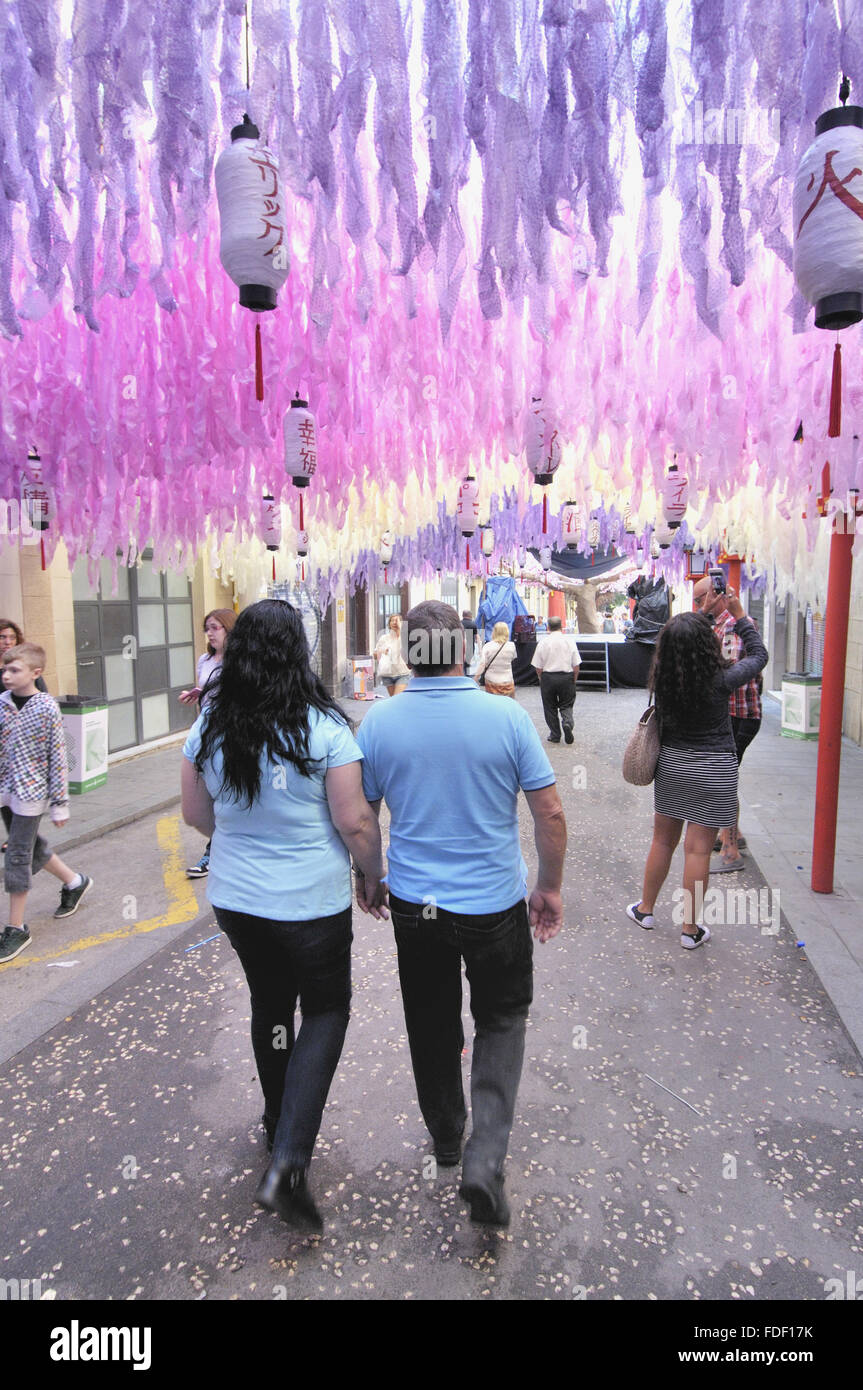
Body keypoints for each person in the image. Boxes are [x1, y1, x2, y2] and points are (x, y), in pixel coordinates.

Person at [356, 601, 566, 1227]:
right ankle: (484, 1160)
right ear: (462, 646)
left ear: (410, 652)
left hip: (416, 906)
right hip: (495, 904)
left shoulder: (379, 722)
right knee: (502, 1019)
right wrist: (548, 888)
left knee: (430, 1017)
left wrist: (370, 877)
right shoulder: (506, 717)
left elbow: (361, 818)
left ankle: (447, 1136)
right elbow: (550, 814)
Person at [181, 600, 386, 1231]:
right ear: (298, 651)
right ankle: (289, 1163)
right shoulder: (325, 728)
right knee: (325, 1010)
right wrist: (372, 877)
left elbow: (196, 815)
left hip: (240, 901)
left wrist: (244, 838)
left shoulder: (211, 725)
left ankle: (278, 1125)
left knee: (270, 1007)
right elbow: (355, 821)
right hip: (311, 905)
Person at [626, 588, 768, 949]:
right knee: (698, 850)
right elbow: (760, 655)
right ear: (709, 645)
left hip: (672, 765)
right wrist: (738, 615)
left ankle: (645, 910)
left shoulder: (664, 681)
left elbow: (681, 639)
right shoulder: (723, 680)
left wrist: (702, 614)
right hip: (714, 768)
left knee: (662, 840)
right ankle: (690, 930)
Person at [0, 644, 93, 964]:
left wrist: (59, 804)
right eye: (5, 669)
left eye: (14, 670)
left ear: (35, 673)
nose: (7, 675)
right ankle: (74, 881)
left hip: (30, 795)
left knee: (17, 856)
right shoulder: (1, 703)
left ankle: (16, 928)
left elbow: (57, 757)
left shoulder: (46, 708)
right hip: (5, 792)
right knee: (32, 848)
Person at [692, 577, 762, 873]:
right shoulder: (719, 624)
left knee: (724, 782)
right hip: (733, 713)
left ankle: (731, 850)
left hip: (737, 714)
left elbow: (727, 669)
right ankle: (732, 835)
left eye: (700, 600)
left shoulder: (732, 626)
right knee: (726, 777)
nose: (698, 606)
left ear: (717, 596)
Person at [180, 609, 237, 878]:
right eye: (207, 628)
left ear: (228, 629)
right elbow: (208, 690)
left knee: (223, 794)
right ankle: (223, 844)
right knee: (209, 793)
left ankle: (212, 852)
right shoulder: (205, 659)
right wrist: (198, 692)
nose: (210, 633)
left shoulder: (239, 662)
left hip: (230, 733)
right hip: (205, 733)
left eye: (215, 627)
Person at [0, 621, 47, 854]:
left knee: (20, 851)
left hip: (25, 759)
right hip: (4, 756)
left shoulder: (27, 669)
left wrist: (60, 804)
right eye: (2, 637)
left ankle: (18, 842)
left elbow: (43, 699)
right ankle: (74, 881)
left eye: (10, 637)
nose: (7, 642)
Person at [531, 616, 581, 744]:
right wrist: (574, 679)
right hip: (566, 676)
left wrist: (541, 677)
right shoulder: (569, 641)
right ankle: (567, 723)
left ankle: (555, 734)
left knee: (549, 707)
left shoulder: (543, 642)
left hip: (548, 677)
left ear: (548, 627)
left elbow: (538, 665)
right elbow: (576, 665)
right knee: (567, 704)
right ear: (561, 626)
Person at [473, 621, 517, 697]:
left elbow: (482, 664)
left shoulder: (488, 646)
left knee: (493, 704)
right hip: (508, 680)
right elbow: (513, 658)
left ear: (494, 632)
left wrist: (475, 678)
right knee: (508, 704)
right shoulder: (512, 646)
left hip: (491, 681)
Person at [373, 614, 410, 696]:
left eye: (397, 620)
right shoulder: (384, 638)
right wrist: (382, 651)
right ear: (389, 623)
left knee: (397, 698)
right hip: (387, 674)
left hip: (403, 674)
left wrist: (400, 629)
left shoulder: (405, 637)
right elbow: (375, 656)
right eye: (392, 620)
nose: (394, 622)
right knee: (393, 698)